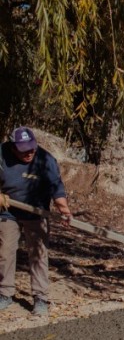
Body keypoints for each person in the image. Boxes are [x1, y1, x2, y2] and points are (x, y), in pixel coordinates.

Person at [0, 127, 72, 316]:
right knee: (5, 253)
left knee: (38, 255)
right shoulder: (1, 155)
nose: (29, 153)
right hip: (8, 211)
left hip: (36, 211)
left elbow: (57, 188)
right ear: (13, 147)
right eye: (24, 150)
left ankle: (40, 298)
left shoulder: (45, 160)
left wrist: (64, 210)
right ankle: (5, 294)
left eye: (32, 148)